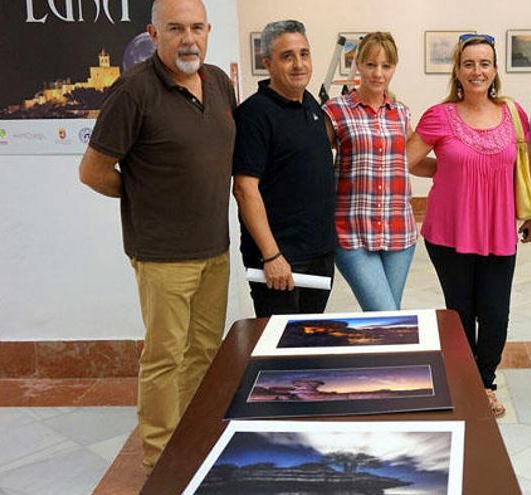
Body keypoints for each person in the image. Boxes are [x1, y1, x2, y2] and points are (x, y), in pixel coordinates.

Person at [77, 0, 235, 469]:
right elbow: (93, 172)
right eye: (176, 29)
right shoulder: (133, 91)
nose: (189, 38)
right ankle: (161, 459)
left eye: (196, 28)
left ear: (207, 30)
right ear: (154, 33)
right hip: (163, 255)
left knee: (204, 351)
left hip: (215, 248)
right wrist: (143, 196)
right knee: (165, 357)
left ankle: (193, 437)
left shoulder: (219, 83)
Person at [407, 33, 531, 418]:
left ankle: (485, 381)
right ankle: (469, 385)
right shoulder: (439, 115)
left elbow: (526, 165)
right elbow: (409, 159)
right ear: (458, 71)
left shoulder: (513, 112)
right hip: (449, 232)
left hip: (498, 230)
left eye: (485, 63)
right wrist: (445, 171)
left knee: (496, 312)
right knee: (460, 311)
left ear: (495, 70)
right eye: (469, 64)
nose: (477, 70)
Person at [232, 20, 336, 317]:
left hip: (320, 254)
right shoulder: (254, 114)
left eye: (304, 54)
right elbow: (244, 188)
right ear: (268, 63)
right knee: (282, 351)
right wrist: (272, 255)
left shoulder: (311, 106)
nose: (299, 64)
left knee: (312, 340)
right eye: (287, 56)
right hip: (280, 260)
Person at [321, 32, 416, 311]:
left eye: (386, 66)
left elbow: (413, 159)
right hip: (351, 233)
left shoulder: (401, 112)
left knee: (387, 320)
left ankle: (376, 356)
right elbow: (315, 163)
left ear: (394, 68)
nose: (378, 73)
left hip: (399, 232)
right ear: (359, 64)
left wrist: (456, 168)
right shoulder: (336, 110)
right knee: (385, 314)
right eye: (371, 64)